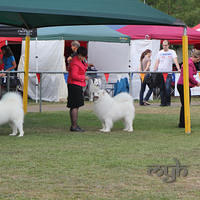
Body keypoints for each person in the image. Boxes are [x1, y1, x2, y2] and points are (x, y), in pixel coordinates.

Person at [67, 46, 89, 132]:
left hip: (76, 85)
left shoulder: (80, 60)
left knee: (74, 106)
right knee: (75, 106)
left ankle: (74, 125)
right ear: (78, 54)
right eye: (82, 56)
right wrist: (84, 77)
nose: (83, 58)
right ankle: (74, 126)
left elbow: (84, 66)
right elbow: (74, 75)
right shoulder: (75, 62)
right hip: (74, 85)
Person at [177, 49, 200, 128]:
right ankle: (183, 123)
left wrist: (194, 84)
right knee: (185, 104)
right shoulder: (189, 63)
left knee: (185, 105)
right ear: (194, 57)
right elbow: (189, 76)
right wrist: (196, 83)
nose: (198, 61)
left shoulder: (189, 63)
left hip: (183, 85)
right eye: (198, 59)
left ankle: (182, 123)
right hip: (183, 85)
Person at [154, 40, 180, 106]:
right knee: (162, 88)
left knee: (168, 88)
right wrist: (154, 71)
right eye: (163, 45)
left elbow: (175, 61)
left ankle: (168, 102)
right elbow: (157, 62)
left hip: (168, 73)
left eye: (165, 45)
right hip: (160, 72)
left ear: (168, 45)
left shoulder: (172, 52)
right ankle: (163, 103)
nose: (164, 46)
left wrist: (178, 68)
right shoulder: (160, 52)